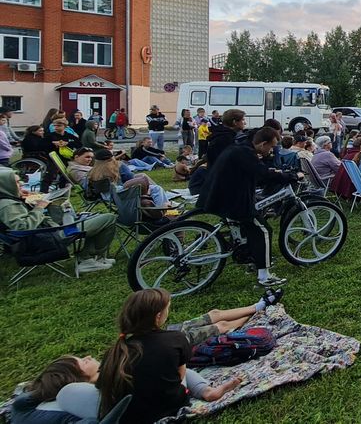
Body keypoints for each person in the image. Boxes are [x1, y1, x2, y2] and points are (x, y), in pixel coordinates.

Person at [96, 289, 245, 423]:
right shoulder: (175, 339)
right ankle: (207, 391)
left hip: (127, 416)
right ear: (158, 316)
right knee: (182, 368)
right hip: (167, 408)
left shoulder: (114, 351)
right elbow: (181, 377)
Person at [199, 126, 301, 288]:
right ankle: (264, 276)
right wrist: (288, 176)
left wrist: (270, 171)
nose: (272, 150)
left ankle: (249, 256)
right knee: (263, 230)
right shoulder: (246, 153)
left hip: (218, 194)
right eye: (271, 146)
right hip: (231, 200)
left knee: (250, 228)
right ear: (262, 144)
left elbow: (255, 172)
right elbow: (262, 174)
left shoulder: (240, 148)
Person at [0, 166, 116, 275]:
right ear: (6, 185)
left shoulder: (7, 199)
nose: (21, 184)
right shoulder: (7, 205)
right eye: (16, 182)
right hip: (47, 238)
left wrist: (22, 198)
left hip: (46, 233)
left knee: (76, 212)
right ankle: (87, 260)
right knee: (108, 218)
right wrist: (39, 207)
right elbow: (23, 227)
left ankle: (91, 258)